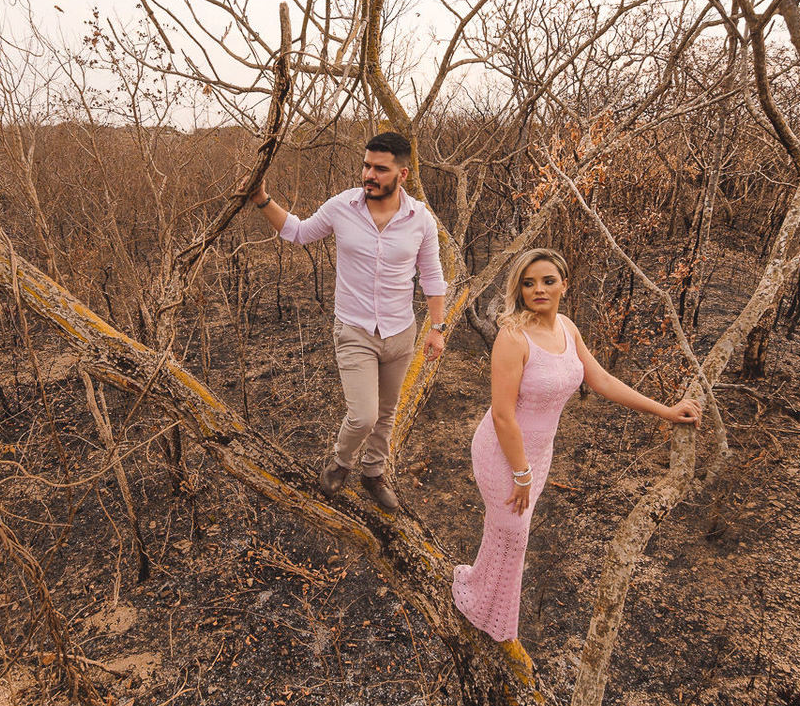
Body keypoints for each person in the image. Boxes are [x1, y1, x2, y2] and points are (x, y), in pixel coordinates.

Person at [452, 248, 701, 642]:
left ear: (564, 285)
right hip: (503, 453)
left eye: (548, 281)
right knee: (513, 535)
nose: (539, 289)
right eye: (529, 283)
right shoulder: (512, 337)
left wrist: (665, 411)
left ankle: (481, 595)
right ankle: (489, 619)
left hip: (538, 454)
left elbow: (602, 380)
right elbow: (502, 416)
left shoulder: (568, 329)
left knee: (506, 530)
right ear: (519, 289)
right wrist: (521, 474)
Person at [249, 132, 446, 511]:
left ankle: (374, 472)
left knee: (386, 413)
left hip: (400, 332)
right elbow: (298, 232)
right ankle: (341, 462)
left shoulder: (420, 219)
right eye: (367, 165)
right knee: (364, 416)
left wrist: (436, 329)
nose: (369, 174)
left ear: (403, 174)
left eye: (380, 169)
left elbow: (433, 276)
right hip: (355, 331)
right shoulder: (343, 206)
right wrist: (261, 199)